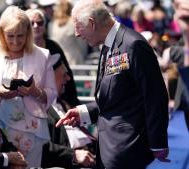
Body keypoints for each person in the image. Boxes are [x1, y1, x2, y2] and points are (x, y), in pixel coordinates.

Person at [56, 0, 169, 169]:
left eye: (78, 26)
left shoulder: (133, 44)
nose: (77, 34)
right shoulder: (108, 44)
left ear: (92, 23)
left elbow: (155, 96)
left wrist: (157, 142)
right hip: (111, 146)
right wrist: (83, 112)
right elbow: (118, 98)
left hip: (126, 147)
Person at [0, 6, 57, 168]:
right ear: (1, 33)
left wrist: (35, 91)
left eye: (20, 36)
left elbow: (52, 93)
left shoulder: (42, 55)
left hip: (31, 131)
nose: (15, 41)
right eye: (10, 36)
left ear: (28, 33)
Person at [41, 55, 96, 168]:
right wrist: (73, 155)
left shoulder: (64, 104)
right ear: (50, 78)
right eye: (64, 75)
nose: (68, 79)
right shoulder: (39, 109)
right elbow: (40, 148)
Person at [26, 8, 80, 107]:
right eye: (31, 23)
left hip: (55, 99)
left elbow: (67, 75)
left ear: (44, 25)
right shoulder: (21, 49)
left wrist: (72, 103)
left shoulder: (53, 47)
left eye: (40, 22)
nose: (36, 26)